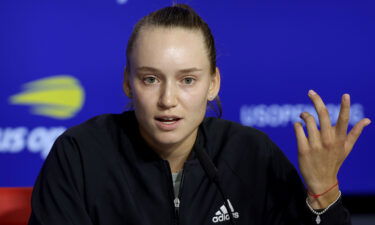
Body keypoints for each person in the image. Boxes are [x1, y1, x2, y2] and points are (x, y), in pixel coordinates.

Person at [28, 4, 371, 225]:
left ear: (213, 83)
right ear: (128, 83)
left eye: (188, 79)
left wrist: (323, 192)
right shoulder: (79, 154)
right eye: (150, 79)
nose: (168, 99)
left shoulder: (250, 152)